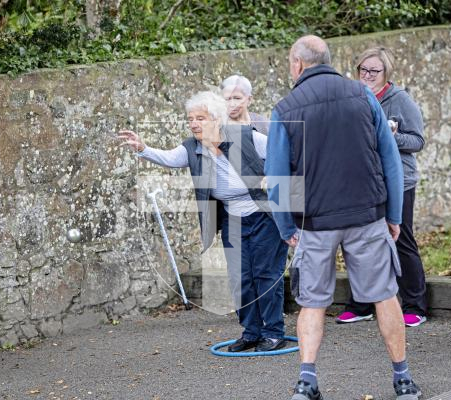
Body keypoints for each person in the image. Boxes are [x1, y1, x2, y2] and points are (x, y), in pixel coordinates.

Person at [265, 35, 420, 400]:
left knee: (312, 302)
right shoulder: (363, 95)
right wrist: (393, 214)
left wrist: (286, 226)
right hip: (366, 215)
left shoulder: (285, 108)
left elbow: (277, 179)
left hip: (315, 222)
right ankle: (403, 379)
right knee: (385, 296)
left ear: (298, 64)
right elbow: (390, 159)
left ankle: (306, 382)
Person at [120, 91, 289, 352]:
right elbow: (169, 158)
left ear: (217, 119)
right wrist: (143, 149)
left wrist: (273, 179)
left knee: (266, 275)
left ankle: (274, 331)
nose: (194, 123)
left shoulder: (247, 137)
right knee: (240, 278)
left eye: (201, 118)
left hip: (265, 216)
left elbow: (282, 153)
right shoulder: (192, 148)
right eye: (191, 119)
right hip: (232, 220)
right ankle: (252, 332)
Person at [336, 46, 428, 328]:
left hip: (399, 181)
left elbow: (418, 141)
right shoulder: (352, 98)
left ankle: (415, 305)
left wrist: (391, 137)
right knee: (360, 242)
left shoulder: (399, 100)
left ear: (386, 72)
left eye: (374, 71)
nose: (367, 76)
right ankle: (361, 304)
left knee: (402, 240)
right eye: (363, 70)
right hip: (364, 182)